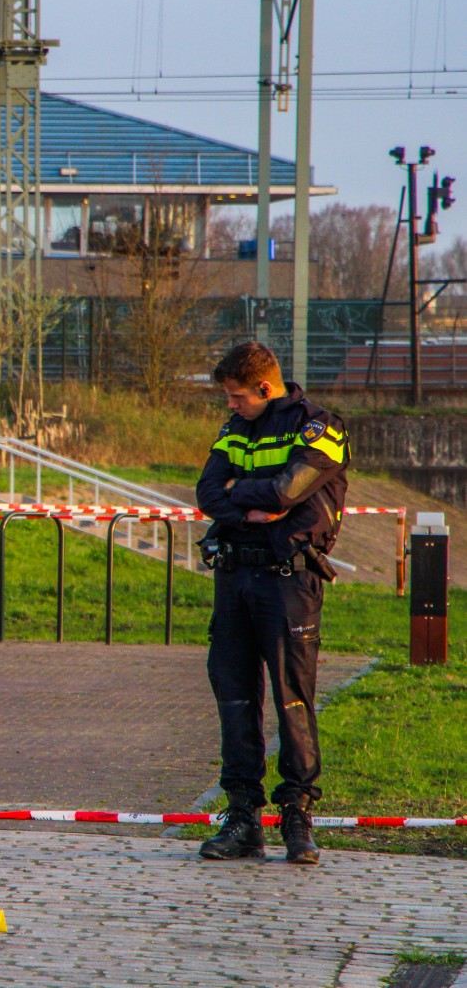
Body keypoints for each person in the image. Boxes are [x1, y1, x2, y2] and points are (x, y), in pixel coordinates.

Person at [194, 342, 348, 866]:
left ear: (265, 388)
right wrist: (250, 507)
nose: (231, 406)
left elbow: (288, 490)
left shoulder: (318, 428)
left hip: (287, 582)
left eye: (238, 397)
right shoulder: (235, 429)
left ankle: (298, 817)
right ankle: (242, 817)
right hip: (235, 576)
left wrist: (245, 493)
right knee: (234, 698)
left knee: (292, 700)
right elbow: (207, 493)